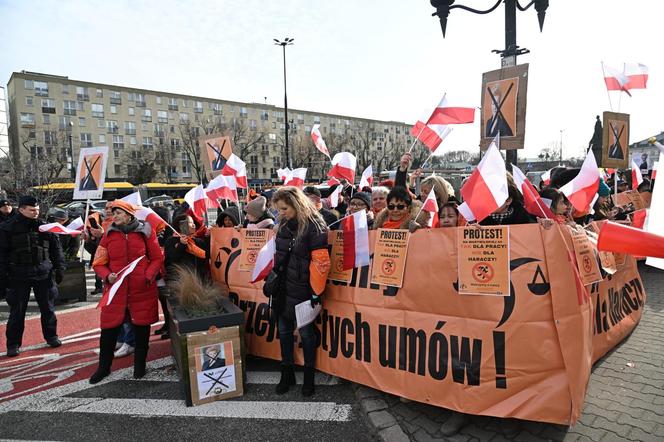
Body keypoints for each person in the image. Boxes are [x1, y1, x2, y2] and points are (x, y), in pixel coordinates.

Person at [89, 200, 164, 383]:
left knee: (141, 330)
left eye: (119, 213)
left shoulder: (146, 232)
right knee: (109, 330)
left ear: (129, 215)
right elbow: (99, 263)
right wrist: (107, 276)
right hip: (116, 290)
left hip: (142, 290)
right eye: (113, 213)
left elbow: (156, 258)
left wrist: (148, 275)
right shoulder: (108, 234)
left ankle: (140, 367)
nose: (114, 216)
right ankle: (103, 368)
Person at [271, 186, 330, 397]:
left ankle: (308, 377)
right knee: (284, 332)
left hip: (305, 289)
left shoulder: (315, 225)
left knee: (306, 334)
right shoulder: (284, 225)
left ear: (297, 204)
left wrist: (316, 291)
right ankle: (286, 374)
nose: (281, 213)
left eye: (284, 208)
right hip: (283, 288)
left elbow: (321, 262)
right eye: (278, 209)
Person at [0, 196, 65, 357]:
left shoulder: (44, 226)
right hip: (18, 276)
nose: (36, 212)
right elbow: (1, 255)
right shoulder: (7, 228)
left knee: (48, 308)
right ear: (21, 209)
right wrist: (3, 278)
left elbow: (56, 249)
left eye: (37, 209)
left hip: (43, 273)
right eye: (32, 210)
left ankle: (51, 336)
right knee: (17, 312)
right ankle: (13, 344)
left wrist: (60, 268)